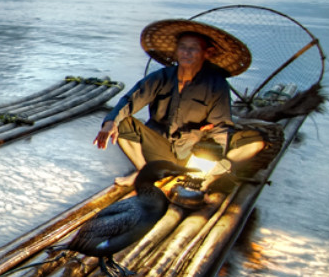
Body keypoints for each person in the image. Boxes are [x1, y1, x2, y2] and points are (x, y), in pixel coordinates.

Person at [95, 19, 264, 183]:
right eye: (182, 48)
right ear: (176, 51)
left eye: (193, 49)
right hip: (161, 148)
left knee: (254, 141)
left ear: (207, 53)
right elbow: (129, 101)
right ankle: (145, 172)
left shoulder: (216, 84)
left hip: (196, 151)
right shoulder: (160, 77)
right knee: (121, 122)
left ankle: (208, 178)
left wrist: (211, 153)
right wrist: (111, 122)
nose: (186, 53)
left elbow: (220, 127)